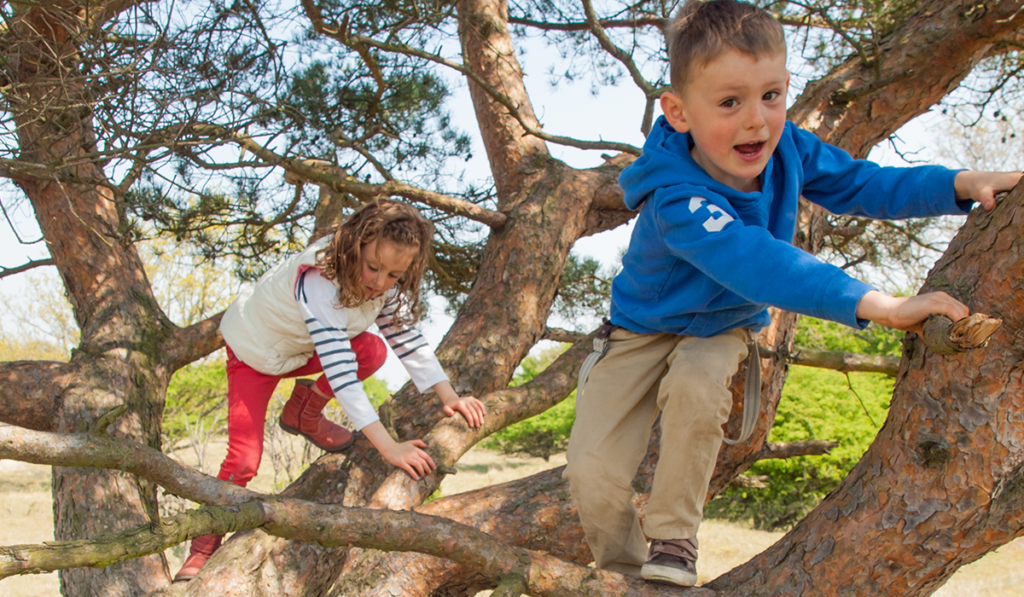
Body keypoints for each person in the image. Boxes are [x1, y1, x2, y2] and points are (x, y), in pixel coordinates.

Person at [562, 0, 1021, 588]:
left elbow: (864, 183)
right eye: (730, 102)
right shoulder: (676, 195)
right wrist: (885, 305)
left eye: (771, 95)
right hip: (638, 330)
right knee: (592, 470)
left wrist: (959, 184)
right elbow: (761, 263)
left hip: (720, 326)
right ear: (678, 112)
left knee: (700, 389)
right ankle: (628, 575)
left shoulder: (788, 150)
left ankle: (672, 542)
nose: (757, 120)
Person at [174, 199, 487, 582]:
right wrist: (388, 447)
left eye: (394, 274)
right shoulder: (319, 279)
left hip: (299, 351)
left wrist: (449, 396)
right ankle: (202, 548)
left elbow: (404, 337)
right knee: (244, 460)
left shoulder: (385, 286)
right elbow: (341, 372)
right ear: (354, 245)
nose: (379, 281)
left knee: (370, 350)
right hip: (254, 353)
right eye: (372, 267)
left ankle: (302, 413)